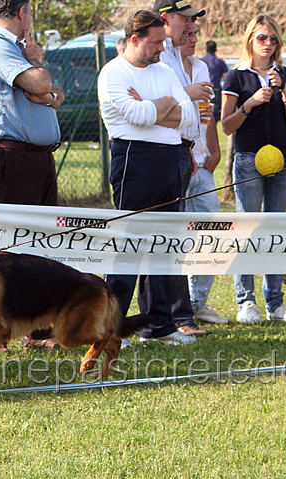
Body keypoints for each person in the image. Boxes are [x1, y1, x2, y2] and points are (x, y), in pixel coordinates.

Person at [0, 0, 64, 351]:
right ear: (22, 12)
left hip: (32, 158)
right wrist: (36, 66)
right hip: (11, 158)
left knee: (39, 249)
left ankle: (35, 330)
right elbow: (40, 81)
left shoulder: (10, 48)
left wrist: (44, 91)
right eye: (31, 12)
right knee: (10, 252)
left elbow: (54, 94)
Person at [98, 10, 198, 345]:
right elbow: (135, 116)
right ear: (135, 39)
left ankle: (161, 325)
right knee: (128, 244)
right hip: (134, 160)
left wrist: (157, 109)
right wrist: (168, 103)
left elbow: (189, 117)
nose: (160, 48)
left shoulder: (165, 70)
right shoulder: (113, 72)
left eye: (163, 42)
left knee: (164, 244)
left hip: (171, 160)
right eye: (155, 42)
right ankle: (112, 328)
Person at [221, 15, 286, 325]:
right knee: (247, 229)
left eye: (274, 39)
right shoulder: (235, 78)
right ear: (250, 40)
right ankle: (246, 302)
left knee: (276, 230)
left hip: (282, 159)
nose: (268, 44)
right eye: (262, 38)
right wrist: (250, 103)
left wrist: (283, 92)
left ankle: (275, 303)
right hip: (248, 159)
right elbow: (227, 126)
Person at [152, 0, 211, 338]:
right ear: (166, 18)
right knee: (165, 237)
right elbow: (157, 104)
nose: (190, 28)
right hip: (161, 151)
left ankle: (177, 315)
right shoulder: (158, 55)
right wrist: (188, 95)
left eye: (193, 23)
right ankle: (171, 317)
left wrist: (194, 149)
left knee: (175, 238)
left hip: (182, 151)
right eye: (184, 20)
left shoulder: (178, 56)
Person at [181, 25, 229, 325]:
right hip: (178, 166)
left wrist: (213, 149)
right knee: (178, 239)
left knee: (211, 235)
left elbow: (206, 112)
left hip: (203, 168)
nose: (194, 38)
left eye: (196, 33)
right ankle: (178, 309)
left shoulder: (200, 66)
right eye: (188, 33)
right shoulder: (163, 64)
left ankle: (198, 303)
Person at [199, 39, 228, 122]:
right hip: (216, 90)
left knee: (204, 115)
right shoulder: (220, 62)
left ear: (206, 49)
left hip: (203, 91)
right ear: (216, 49)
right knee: (214, 115)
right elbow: (225, 77)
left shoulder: (200, 61)